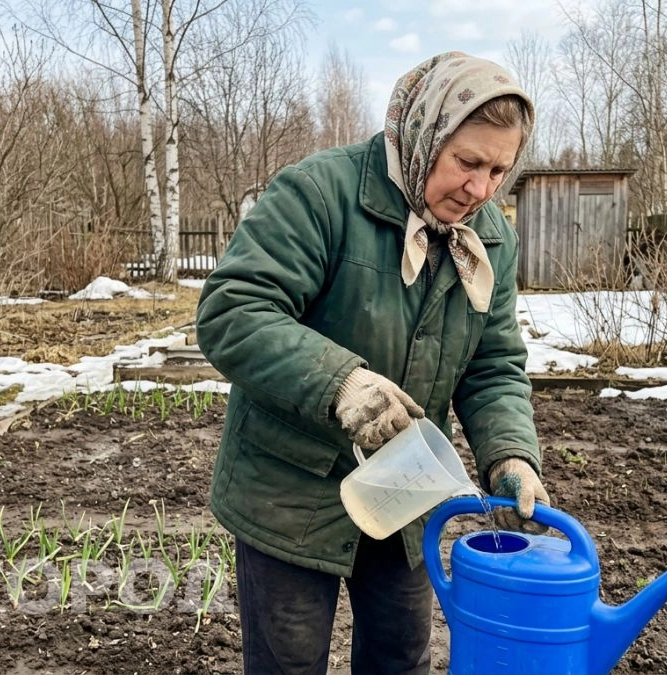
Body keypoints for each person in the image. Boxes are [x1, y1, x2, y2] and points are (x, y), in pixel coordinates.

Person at [195, 51, 550, 675]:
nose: (481, 189)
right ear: (423, 135)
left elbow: (493, 364)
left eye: (499, 169)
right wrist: (343, 385)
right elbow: (234, 311)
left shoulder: (489, 236)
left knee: (400, 658)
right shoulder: (320, 194)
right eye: (466, 161)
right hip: (287, 493)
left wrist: (510, 455)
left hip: (403, 489)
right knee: (290, 663)